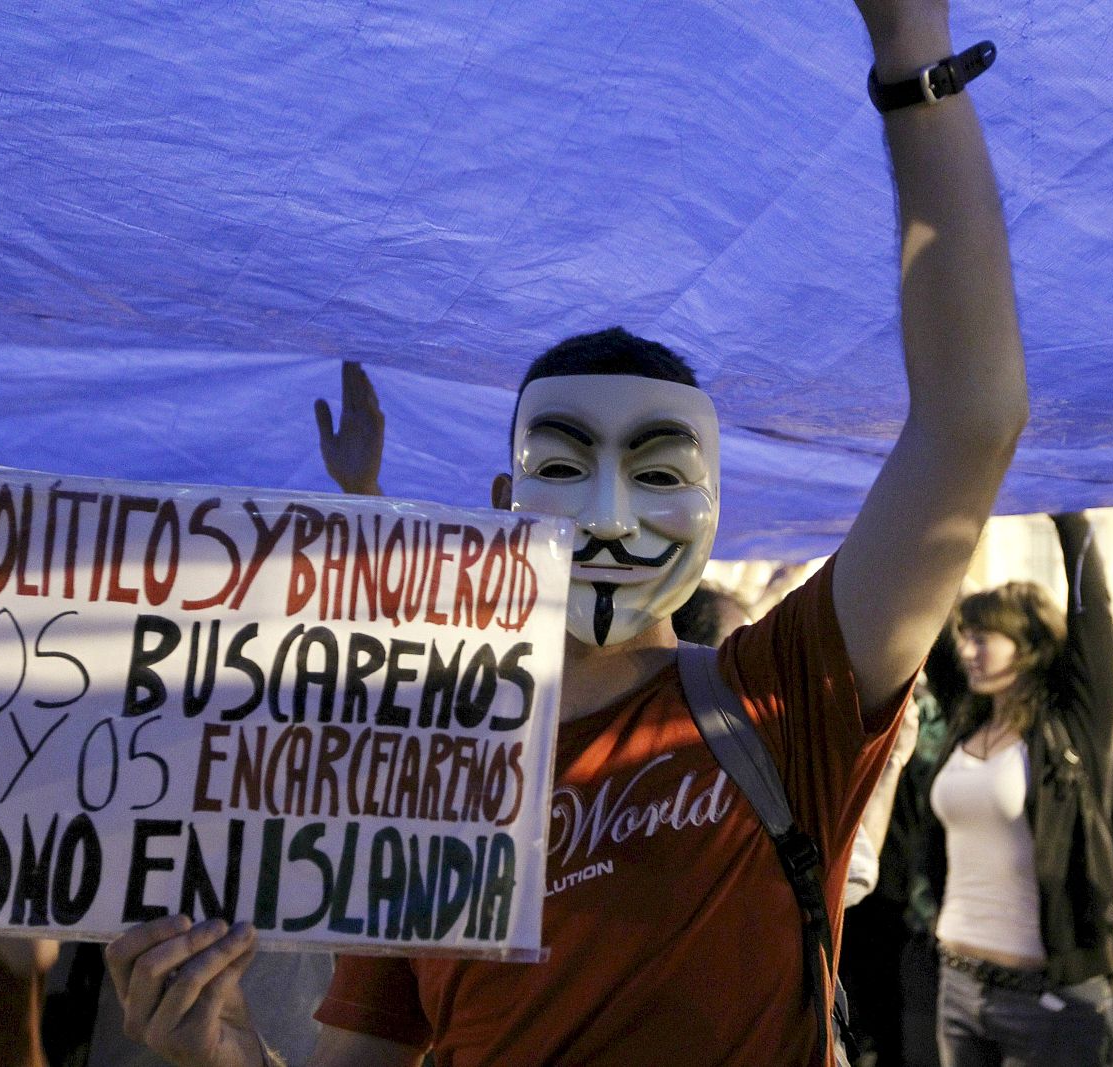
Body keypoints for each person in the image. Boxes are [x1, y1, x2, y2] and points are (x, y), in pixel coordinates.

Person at [104, 0, 1032, 1062]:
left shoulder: (782, 700)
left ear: (716, 505)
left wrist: (911, 50)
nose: (603, 513)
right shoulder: (423, 790)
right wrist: (218, 1047)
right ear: (506, 502)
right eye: (561, 467)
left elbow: (973, 418)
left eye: (657, 471)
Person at [919, 512, 1113, 1067]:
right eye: (965, 637)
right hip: (958, 985)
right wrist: (960, 500)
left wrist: (1067, 512)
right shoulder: (968, 717)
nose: (966, 650)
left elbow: (1094, 614)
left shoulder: (1072, 726)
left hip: (1048, 997)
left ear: (1028, 645)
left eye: (983, 638)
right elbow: (930, 595)